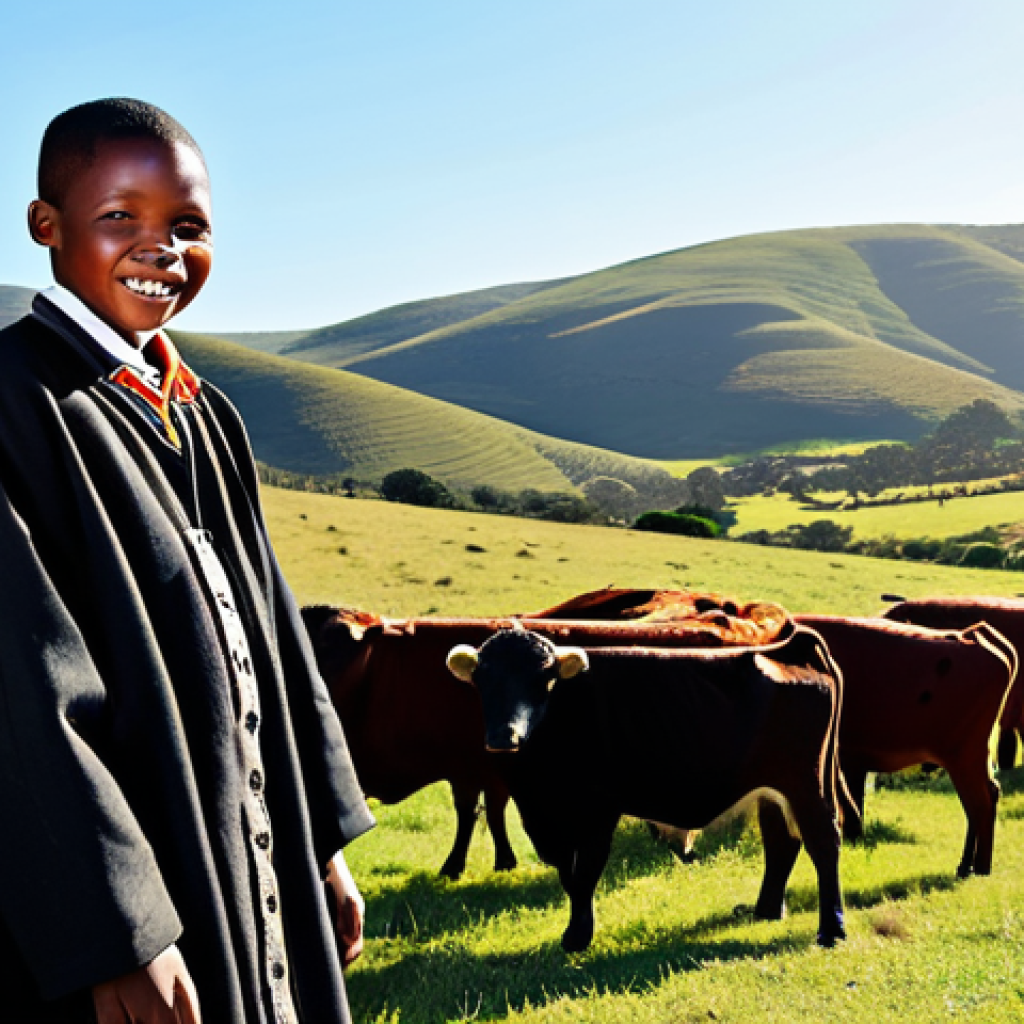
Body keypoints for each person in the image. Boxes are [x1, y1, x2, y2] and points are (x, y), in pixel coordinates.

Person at [0, 98, 374, 1023]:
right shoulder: (14, 404)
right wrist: (118, 928)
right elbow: (22, 690)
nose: (159, 248)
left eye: (188, 226)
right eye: (119, 216)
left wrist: (318, 844)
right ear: (46, 225)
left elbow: (275, 642)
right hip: (121, 896)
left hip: (254, 858)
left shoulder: (202, 412)